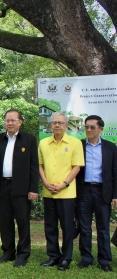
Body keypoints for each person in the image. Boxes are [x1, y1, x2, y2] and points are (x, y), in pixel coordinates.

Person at [0, 109, 39, 267]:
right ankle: (8, 252)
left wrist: (33, 189)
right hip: (3, 186)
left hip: (22, 188)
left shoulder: (29, 140)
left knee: (23, 221)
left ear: (20, 122)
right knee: (5, 221)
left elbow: (34, 166)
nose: (10, 123)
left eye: (13, 120)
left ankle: (23, 254)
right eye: (7, 120)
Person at [38, 111, 84, 271]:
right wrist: (45, 182)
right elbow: (40, 165)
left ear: (66, 125)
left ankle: (66, 258)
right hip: (48, 191)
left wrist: (64, 184)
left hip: (66, 193)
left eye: (60, 123)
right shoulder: (43, 143)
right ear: (50, 125)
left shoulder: (75, 143)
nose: (57, 125)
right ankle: (53, 256)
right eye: (54, 123)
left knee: (67, 226)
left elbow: (77, 166)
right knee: (50, 226)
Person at [76, 115, 117, 272]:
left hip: (103, 192)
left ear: (101, 129)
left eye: (92, 127)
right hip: (84, 191)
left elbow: (115, 172)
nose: (89, 130)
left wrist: (115, 195)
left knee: (103, 227)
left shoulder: (110, 148)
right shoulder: (79, 145)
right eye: (86, 127)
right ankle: (86, 258)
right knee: (85, 226)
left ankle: (104, 259)